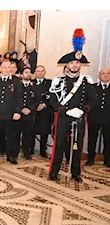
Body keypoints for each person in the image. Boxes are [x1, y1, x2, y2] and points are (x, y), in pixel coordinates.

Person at [48, 29, 96, 182]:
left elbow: (93, 99)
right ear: (67, 65)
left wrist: (82, 110)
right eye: (72, 63)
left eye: (77, 63)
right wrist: (65, 110)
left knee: (77, 145)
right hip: (63, 116)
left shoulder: (86, 81)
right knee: (59, 145)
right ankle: (54, 172)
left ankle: (76, 172)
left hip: (79, 117)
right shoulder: (58, 81)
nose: (75, 65)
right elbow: (52, 100)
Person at [85, 68, 110, 166]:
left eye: (108, 73)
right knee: (92, 139)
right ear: (99, 76)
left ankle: (107, 159)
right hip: (94, 118)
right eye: (103, 73)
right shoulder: (93, 87)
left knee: (108, 140)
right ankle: (90, 158)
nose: (105, 75)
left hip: (108, 119)